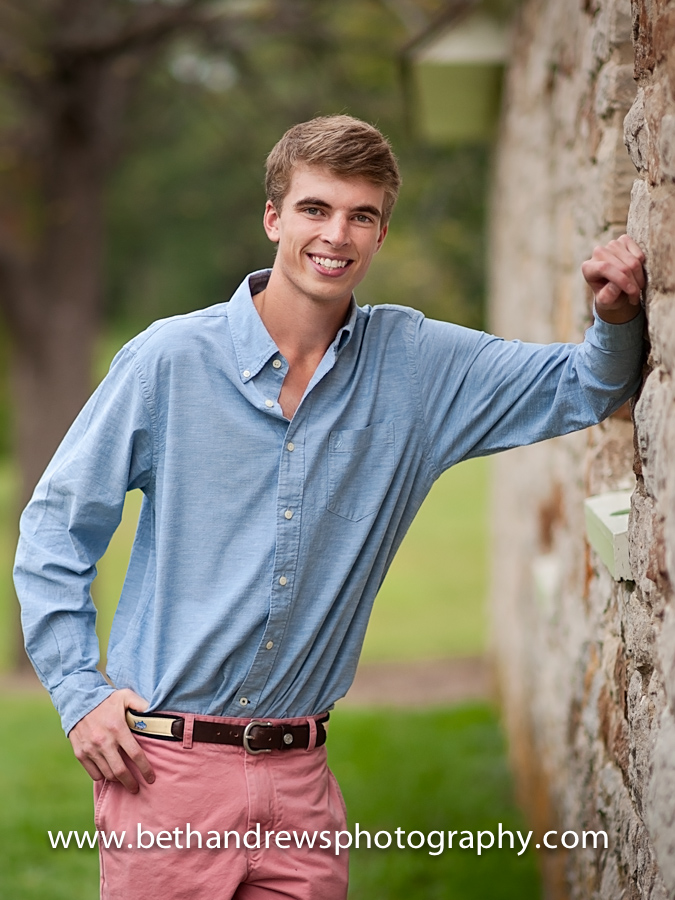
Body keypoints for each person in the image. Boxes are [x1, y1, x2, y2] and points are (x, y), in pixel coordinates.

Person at [14, 115, 646, 900]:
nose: (335, 234)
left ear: (381, 233)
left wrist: (615, 315)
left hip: (300, 782)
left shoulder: (418, 368)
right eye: (315, 209)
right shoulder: (169, 361)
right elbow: (55, 527)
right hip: (164, 777)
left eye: (361, 215)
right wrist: (79, 694)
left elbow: (585, 384)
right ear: (274, 217)